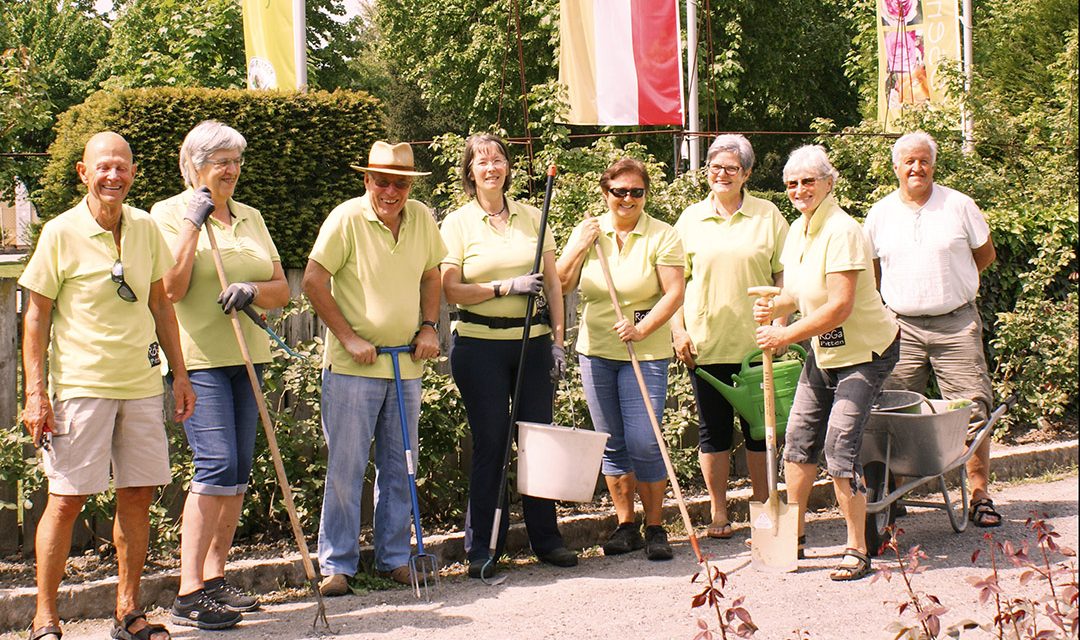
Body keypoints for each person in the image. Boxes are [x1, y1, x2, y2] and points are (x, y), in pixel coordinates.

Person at [19, 132, 196, 640]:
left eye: (122, 167)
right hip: (80, 386)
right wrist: (37, 393)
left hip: (140, 383)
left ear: (133, 173)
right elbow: (37, 316)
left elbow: (161, 304)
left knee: (138, 495)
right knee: (67, 499)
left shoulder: (144, 229)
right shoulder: (59, 232)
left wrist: (179, 375)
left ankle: (127, 612)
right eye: (103, 167)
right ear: (83, 172)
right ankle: (45, 618)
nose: (113, 176)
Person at [150, 121, 291, 628]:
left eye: (236, 161)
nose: (231, 170)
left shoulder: (251, 215)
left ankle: (214, 579)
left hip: (247, 356)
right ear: (195, 164)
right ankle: (188, 593)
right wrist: (194, 220)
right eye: (221, 161)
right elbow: (169, 288)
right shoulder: (166, 214)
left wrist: (251, 290)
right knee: (215, 465)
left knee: (237, 472)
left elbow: (282, 289)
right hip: (197, 361)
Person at [302, 141, 446, 596]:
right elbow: (313, 280)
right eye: (381, 180)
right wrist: (348, 337)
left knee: (401, 465)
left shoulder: (421, 217)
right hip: (352, 369)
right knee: (345, 469)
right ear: (366, 180)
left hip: (405, 364)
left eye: (399, 183)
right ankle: (338, 566)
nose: (390, 190)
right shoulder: (346, 218)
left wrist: (428, 326)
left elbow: (431, 274)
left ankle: (394, 558)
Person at [752, 145, 899, 581]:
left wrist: (784, 334)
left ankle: (856, 548)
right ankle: (792, 536)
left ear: (828, 183)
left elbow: (838, 307)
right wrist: (774, 308)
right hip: (825, 352)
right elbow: (798, 294)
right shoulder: (799, 230)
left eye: (808, 181)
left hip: (865, 352)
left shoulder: (843, 230)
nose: (799, 190)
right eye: (792, 184)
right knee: (797, 441)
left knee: (839, 447)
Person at [440, 134, 577, 577]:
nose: (491, 167)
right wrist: (505, 287)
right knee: (492, 443)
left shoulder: (533, 218)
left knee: (537, 440)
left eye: (498, 159)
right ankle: (484, 546)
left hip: (531, 344)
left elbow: (554, 285)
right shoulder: (457, 223)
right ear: (470, 171)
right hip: (479, 347)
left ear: (507, 167)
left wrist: (557, 341)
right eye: (482, 161)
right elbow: (450, 290)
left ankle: (547, 539)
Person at [864, 131, 999, 527]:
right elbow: (872, 271)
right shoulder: (880, 213)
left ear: (933, 165)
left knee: (971, 410)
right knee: (892, 410)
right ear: (895, 167)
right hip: (900, 327)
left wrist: (951, 289)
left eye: (923, 160)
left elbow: (985, 255)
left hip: (955, 325)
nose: (916, 168)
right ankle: (889, 497)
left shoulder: (959, 205)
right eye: (908, 161)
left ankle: (979, 495)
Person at [556, 158, 685, 561]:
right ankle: (625, 524)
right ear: (605, 193)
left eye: (636, 192)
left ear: (645, 194)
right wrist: (578, 244)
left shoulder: (662, 235)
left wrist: (641, 330)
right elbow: (560, 283)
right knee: (612, 442)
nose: (628, 199)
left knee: (645, 441)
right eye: (619, 191)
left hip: (643, 352)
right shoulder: (590, 232)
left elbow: (674, 294)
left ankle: (656, 526)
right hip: (596, 352)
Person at [671, 134, 789, 540]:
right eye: (715, 168)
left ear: (747, 174)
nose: (721, 175)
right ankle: (719, 513)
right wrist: (678, 330)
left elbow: (784, 273)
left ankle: (764, 509)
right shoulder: (689, 220)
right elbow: (672, 283)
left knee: (760, 432)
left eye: (731, 169)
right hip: (707, 344)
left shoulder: (768, 215)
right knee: (713, 432)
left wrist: (782, 322)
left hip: (758, 346)